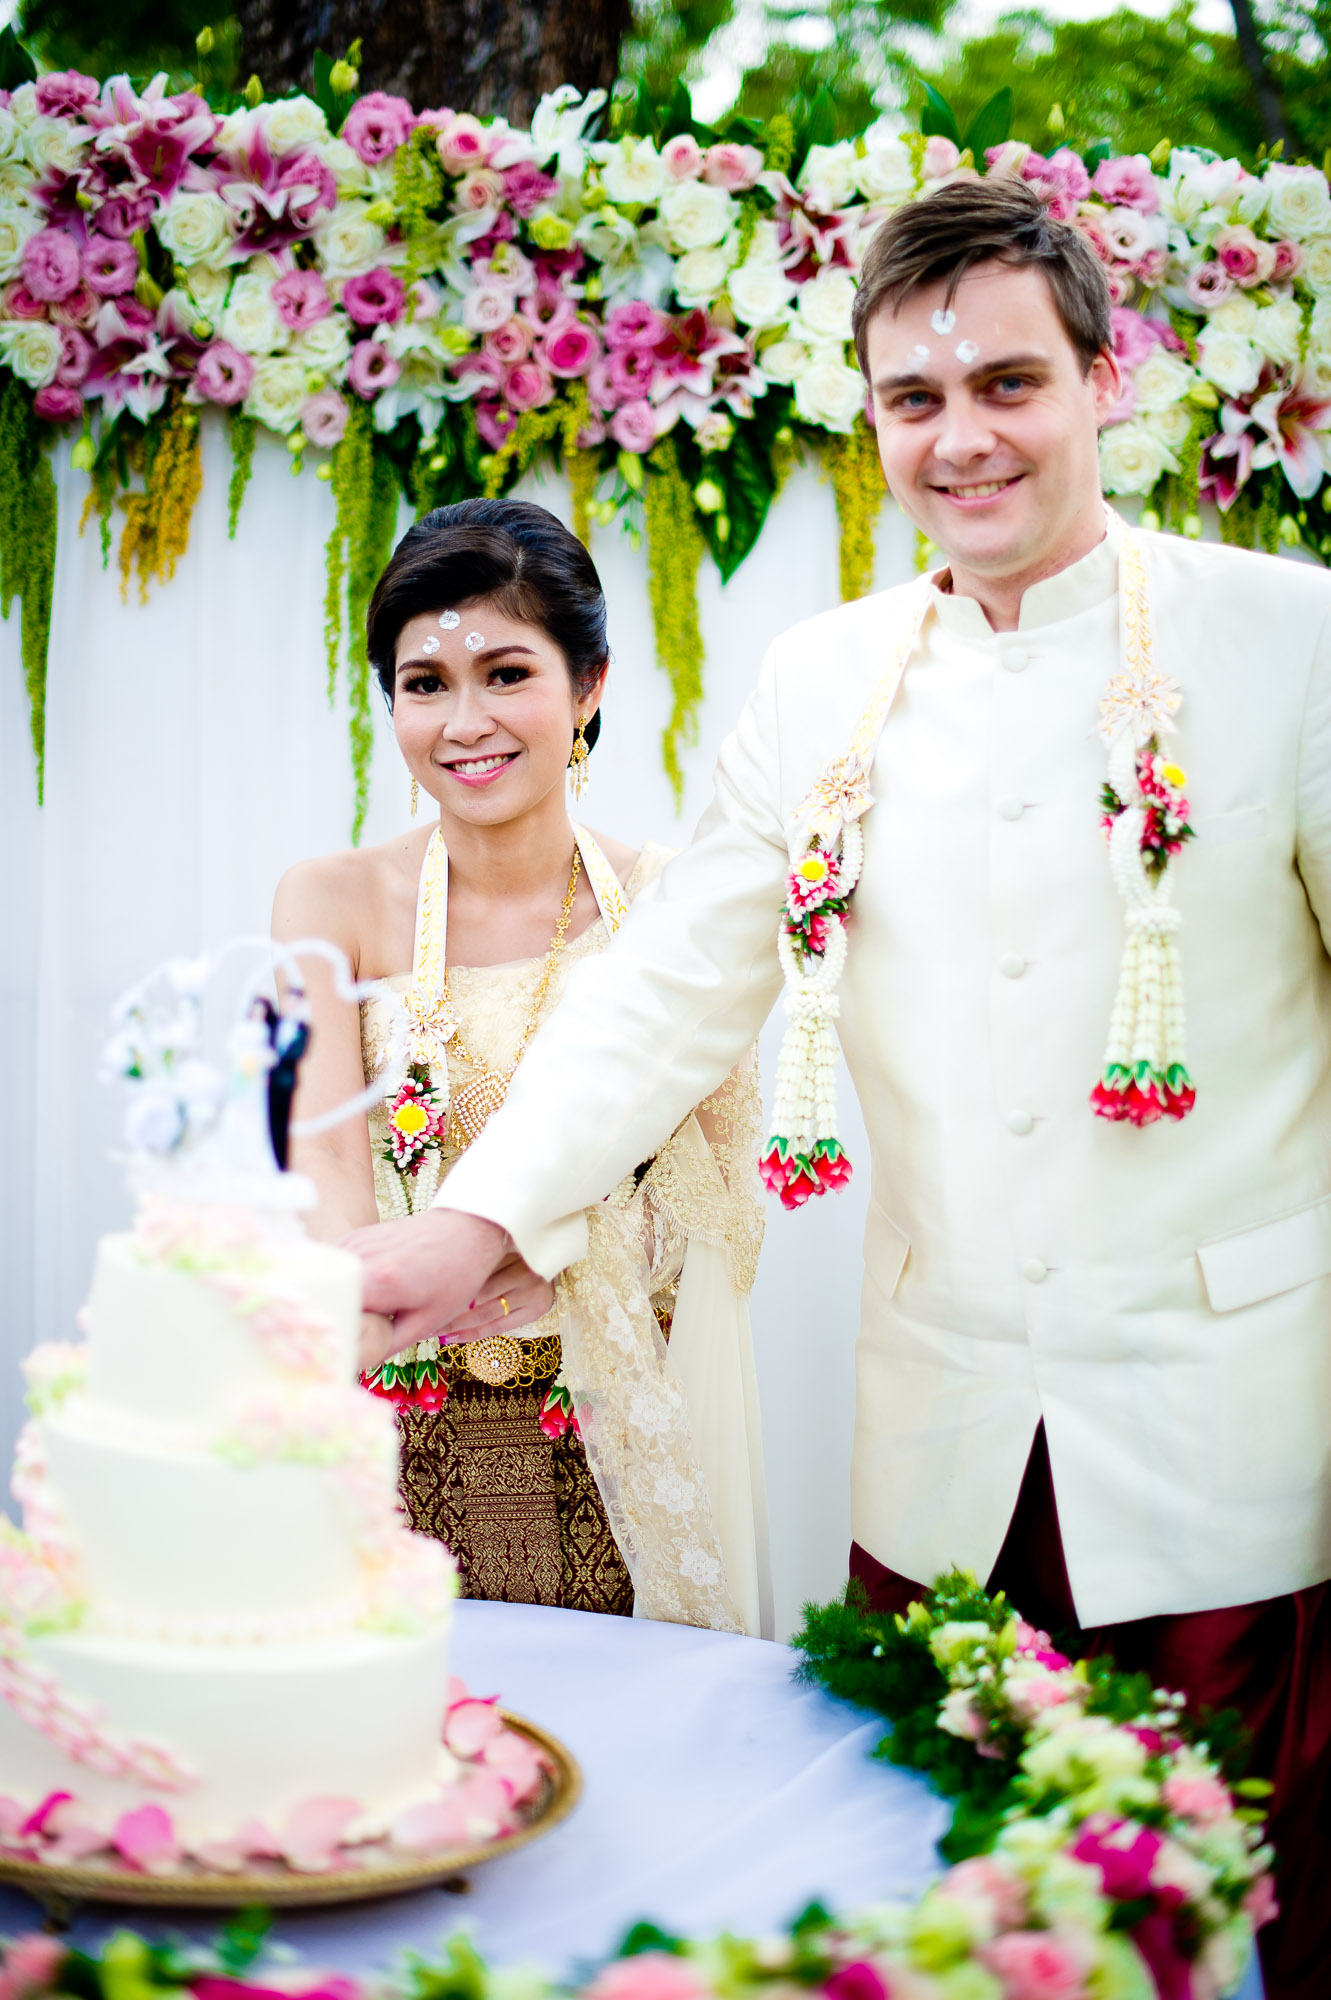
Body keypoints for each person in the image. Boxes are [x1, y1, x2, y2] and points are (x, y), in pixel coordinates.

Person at [347, 182, 1331, 1994]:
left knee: (1225, 1932)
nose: (961, 439)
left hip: (1235, 1449)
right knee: (934, 1916)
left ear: (1104, 380)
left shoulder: (1289, 640)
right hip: (944, 1451)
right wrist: (474, 1219)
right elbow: (665, 991)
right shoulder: (822, 685)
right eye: (911, 399)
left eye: (1008, 384)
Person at [273, 498, 769, 1637]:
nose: (466, 722)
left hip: (610, 1422)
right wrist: (374, 1303)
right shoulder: (330, 901)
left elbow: (720, 1200)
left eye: (506, 673)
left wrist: (559, 1260)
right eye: (425, 683)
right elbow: (321, 1160)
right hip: (399, 1404)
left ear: (589, 685)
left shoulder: (669, 903)